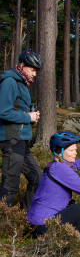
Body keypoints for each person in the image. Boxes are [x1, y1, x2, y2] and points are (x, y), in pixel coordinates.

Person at [27, 131, 80, 237]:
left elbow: (75, 166)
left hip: (34, 224)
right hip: (44, 227)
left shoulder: (55, 165)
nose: (76, 153)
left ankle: (68, 236)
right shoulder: (60, 169)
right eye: (72, 150)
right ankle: (76, 237)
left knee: (71, 206)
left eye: (76, 150)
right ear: (60, 152)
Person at [0, 50, 42, 209]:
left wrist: (31, 117)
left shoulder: (21, 83)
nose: (35, 74)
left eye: (36, 71)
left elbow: (17, 109)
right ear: (22, 66)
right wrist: (28, 117)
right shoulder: (9, 81)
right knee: (10, 184)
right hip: (11, 138)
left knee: (37, 177)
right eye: (32, 69)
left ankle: (26, 217)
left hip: (21, 140)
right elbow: (3, 111)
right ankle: (4, 222)